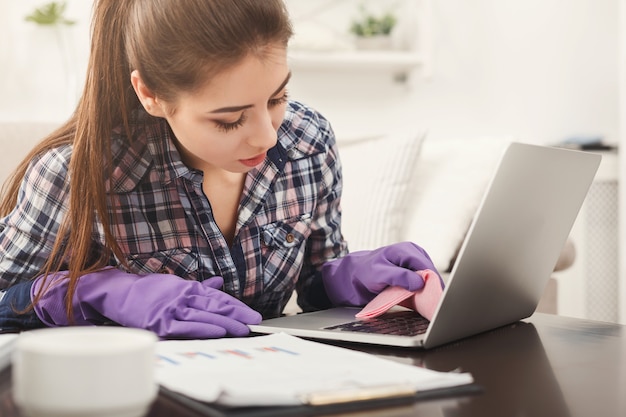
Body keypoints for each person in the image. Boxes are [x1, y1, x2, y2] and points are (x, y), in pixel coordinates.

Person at [0, 0, 440, 339]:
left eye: (276, 98)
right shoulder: (77, 174)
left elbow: (314, 287)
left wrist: (351, 277)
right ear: (150, 94)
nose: (268, 137)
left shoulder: (307, 140)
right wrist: (96, 293)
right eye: (228, 119)